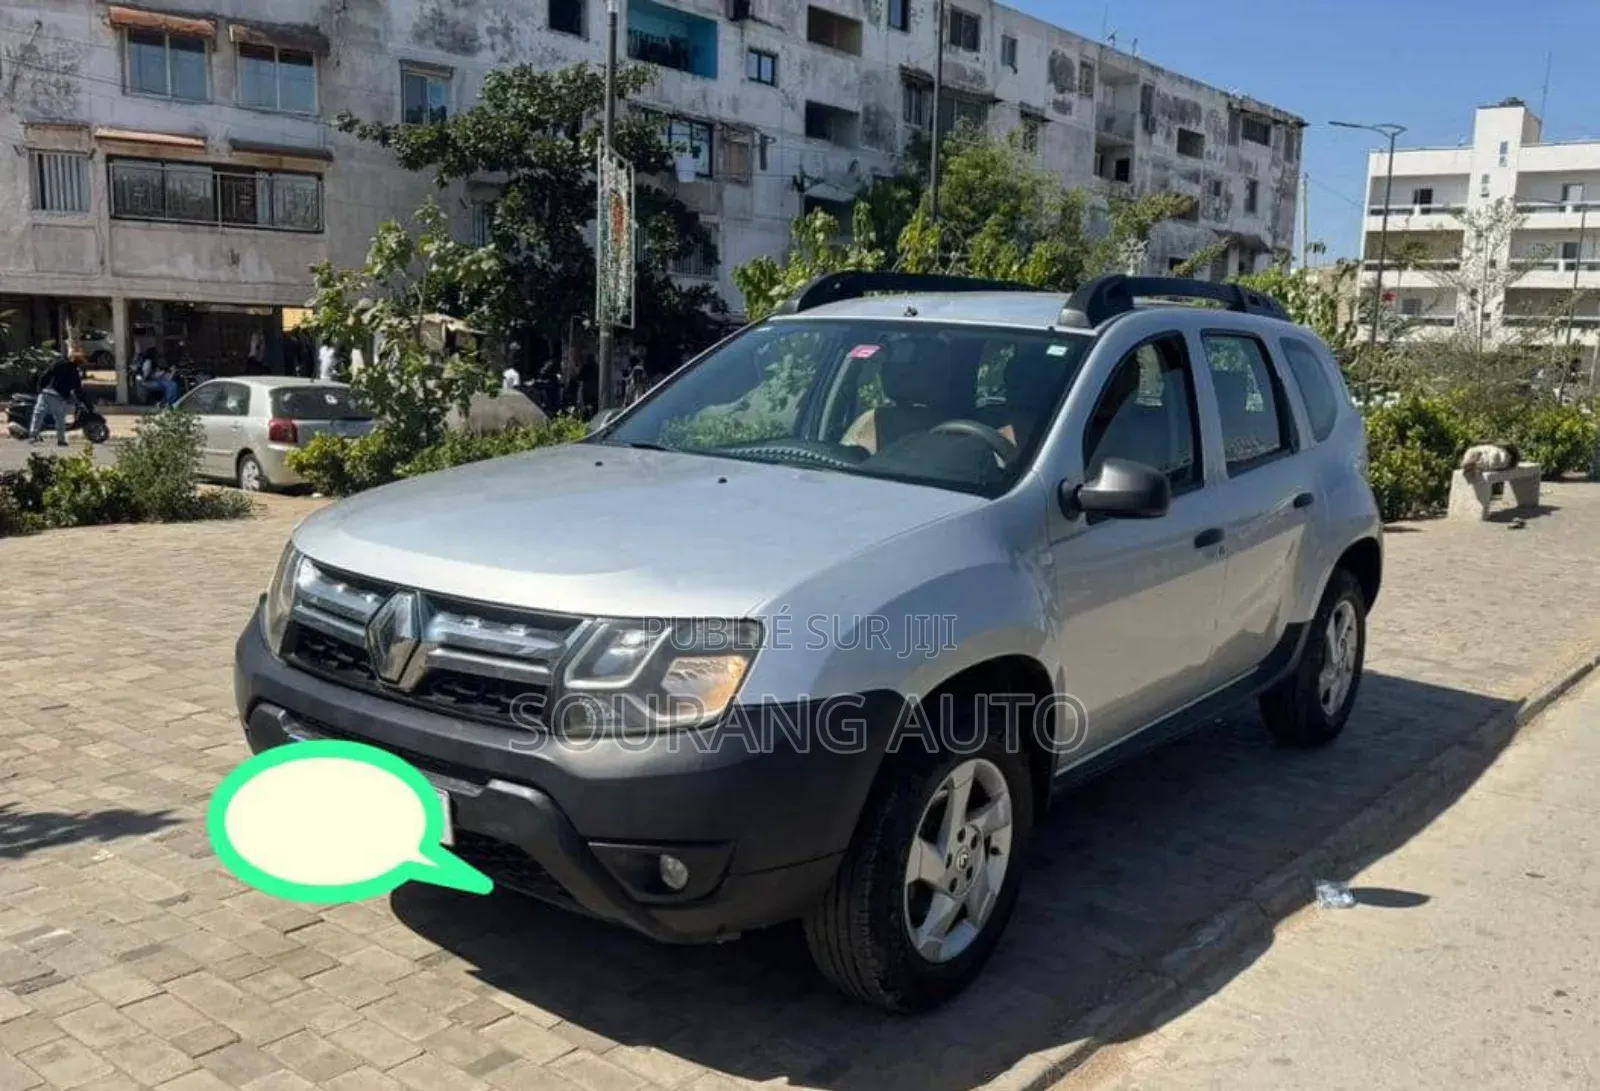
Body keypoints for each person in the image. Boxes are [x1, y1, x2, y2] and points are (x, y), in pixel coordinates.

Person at [30, 354, 83, 447]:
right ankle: (61, 440)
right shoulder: (74, 372)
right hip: (58, 397)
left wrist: (40, 388)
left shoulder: (58, 364)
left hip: (45, 393)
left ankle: (33, 435)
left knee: (38, 415)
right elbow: (77, 388)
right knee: (60, 420)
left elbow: (45, 375)